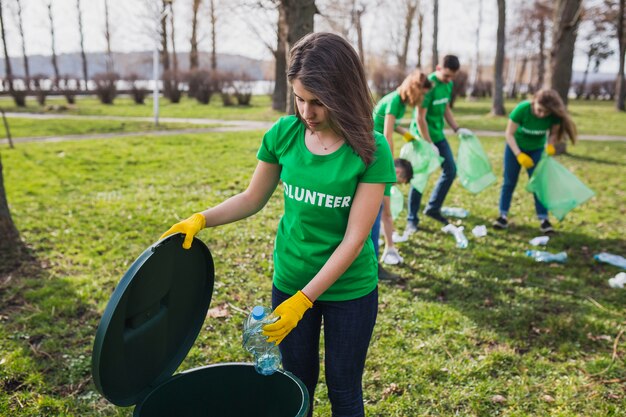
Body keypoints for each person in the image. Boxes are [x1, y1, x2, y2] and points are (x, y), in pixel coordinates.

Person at [160, 32, 395, 417]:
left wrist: (305, 301)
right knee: (296, 385)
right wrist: (200, 220)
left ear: (343, 92)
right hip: (289, 279)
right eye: (300, 98)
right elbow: (251, 199)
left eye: (318, 102)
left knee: (344, 389)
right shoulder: (283, 134)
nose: (307, 111)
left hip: (349, 290)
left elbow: (354, 239)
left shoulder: (370, 148)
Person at [492, 89, 577, 233]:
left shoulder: (554, 115)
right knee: (509, 182)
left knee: (539, 184)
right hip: (515, 148)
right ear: (534, 101)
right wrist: (519, 155)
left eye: (546, 113)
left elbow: (554, 133)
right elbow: (509, 134)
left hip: (536, 150)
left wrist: (550, 145)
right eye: (539, 110)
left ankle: (544, 220)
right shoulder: (522, 109)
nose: (542, 115)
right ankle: (502, 216)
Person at [371, 70, 431, 271]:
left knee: (382, 206)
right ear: (414, 89)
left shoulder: (401, 102)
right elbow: (386, 134)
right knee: (383, 206)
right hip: (374, 151)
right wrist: (389, 165)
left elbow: (394, 126)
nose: (423, 99)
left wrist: (408, 136)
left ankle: (386, 242)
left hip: (377, 149)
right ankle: (386, 245)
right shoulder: (395, 100)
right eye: (422, 94)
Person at [405, 55, 471, 234]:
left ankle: (433, 208)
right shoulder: (428, 84)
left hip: (437, 133)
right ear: (438, 68)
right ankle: (412, 219)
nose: (449, 80)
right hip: (422, 136)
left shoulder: (447, 85)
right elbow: (420, 118)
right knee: (419, 177)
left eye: (452, 77)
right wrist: (428, 143)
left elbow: (445, 108)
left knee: (450, 170)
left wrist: (456, 128)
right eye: (446, 75)